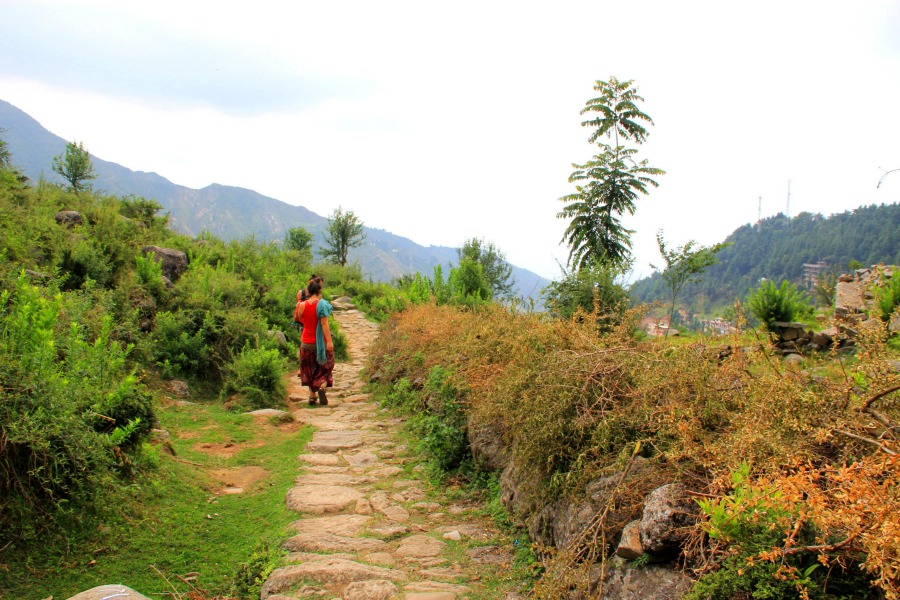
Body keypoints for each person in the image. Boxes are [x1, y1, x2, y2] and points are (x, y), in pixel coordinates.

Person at [297, 277, 334, 405]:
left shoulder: (301, 305)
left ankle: (312, 395)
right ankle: (322, 386)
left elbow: (301, 320)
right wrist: (329, 342)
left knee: (308, 368)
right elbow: (324, 325)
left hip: (306, 342)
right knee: (325, 366)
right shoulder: (322, 305)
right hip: (320, 344)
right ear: (319, 290)